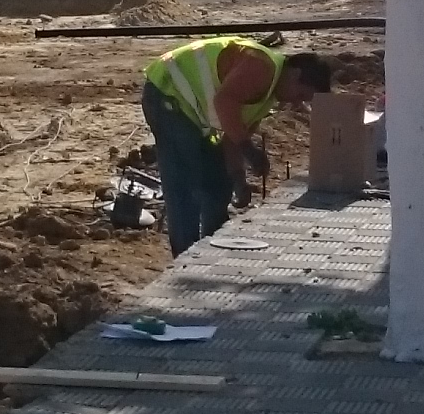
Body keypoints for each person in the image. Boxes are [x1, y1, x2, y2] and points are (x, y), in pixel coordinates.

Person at [138, 36, 333, 253]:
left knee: (218, 182)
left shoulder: (267, 97)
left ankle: (211, 248)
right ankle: (185, 255)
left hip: (188, 108)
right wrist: (249, 149)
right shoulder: (262, 67)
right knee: (185, 185)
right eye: (301, 94)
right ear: (295, 74)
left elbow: (232, 138)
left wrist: (239, 179)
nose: (296, 102)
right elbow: (224, 102)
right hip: (166, 91)